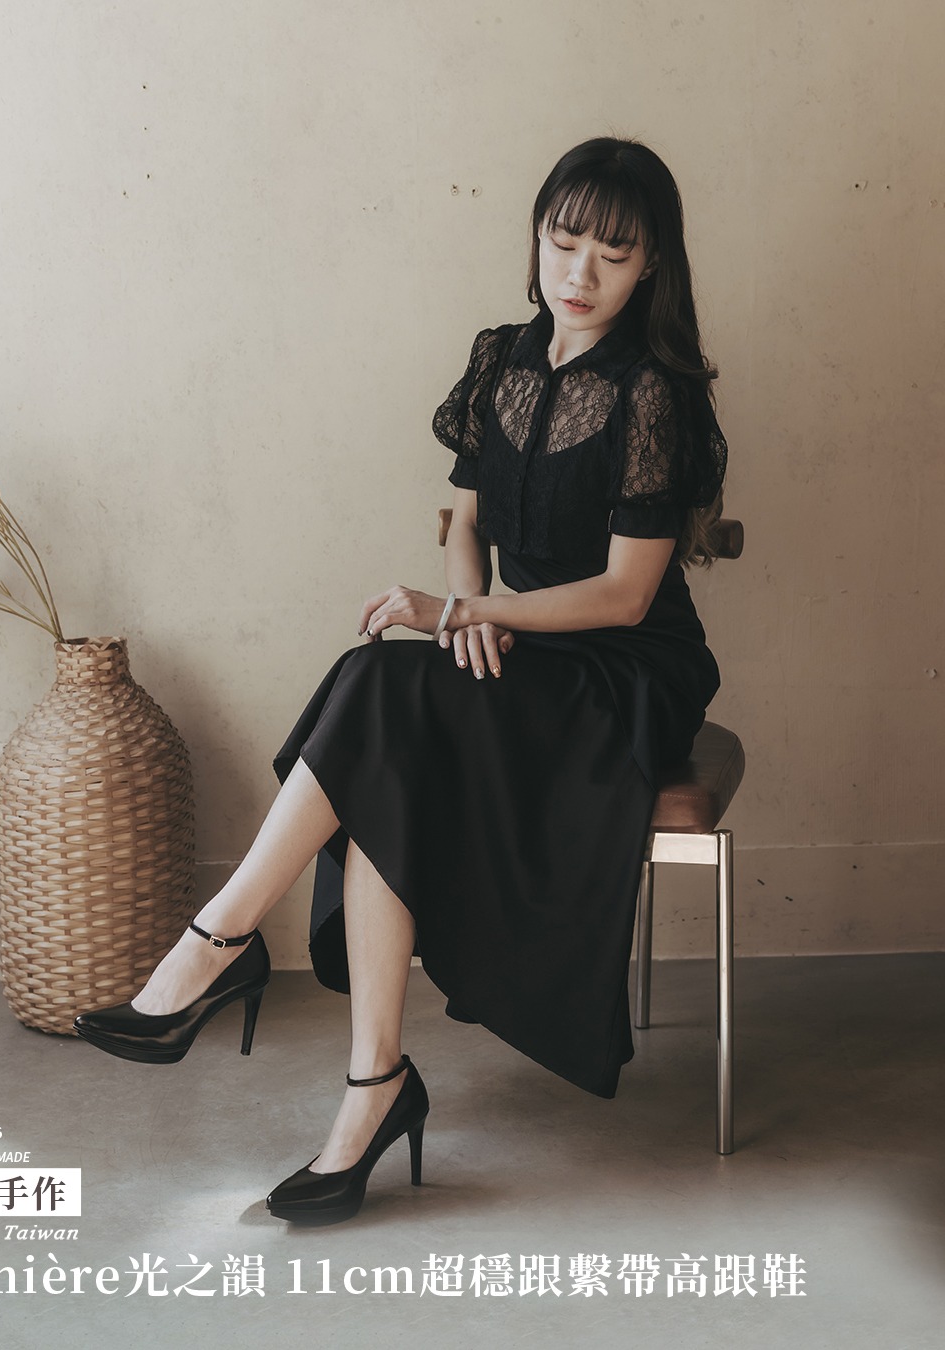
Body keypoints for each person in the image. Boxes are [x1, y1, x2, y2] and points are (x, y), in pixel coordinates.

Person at [74, 136, 728, 1226]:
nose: (579, 272)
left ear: (651, 263)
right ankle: (369, 1081)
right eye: (563, 240)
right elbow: (465, 525)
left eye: (613, 255)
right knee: (390, 721)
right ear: (537, 235)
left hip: (626, 675)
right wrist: (468, 616)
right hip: (520, 651)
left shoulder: (652, 391)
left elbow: (626, 596)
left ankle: (219, 945)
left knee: (379, 688)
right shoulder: (501, 359)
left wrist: (472, 616)